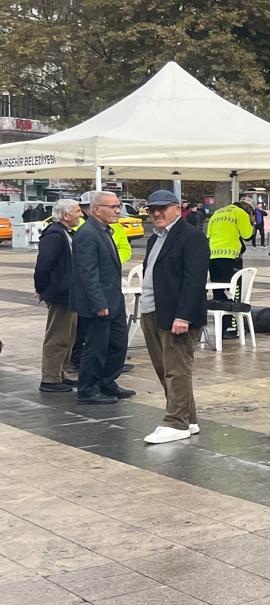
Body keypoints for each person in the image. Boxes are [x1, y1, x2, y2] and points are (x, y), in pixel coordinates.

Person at [139, 189, 209, 444]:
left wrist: (184, 316)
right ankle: (188, 419)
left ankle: (175, 422)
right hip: (152, 310)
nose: (156, 213)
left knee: (176, 370)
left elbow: (195, 280)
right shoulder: (154, 238)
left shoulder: (191, 237)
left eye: (162, 208)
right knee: (164, 368)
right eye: (152, 209)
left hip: (176, 315)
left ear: (177, 209)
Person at [71, 191, 134, 406]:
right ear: (97, 210)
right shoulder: (87, 233)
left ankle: (107, 382)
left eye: (118, 206)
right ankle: (88, 389)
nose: (118, 210)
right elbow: (87, 273)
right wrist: (99, 304)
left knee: (118, 344)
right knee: (96, 348)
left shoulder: (105, 230)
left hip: (113, 299)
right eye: (112, 207)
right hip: (99, 303)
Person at [33, 198, 81, 393]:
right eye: (77, 211)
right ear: (66, 215)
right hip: (59, 293)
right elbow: (44, 264)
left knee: (69, 335)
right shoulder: (54, 235)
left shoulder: (66, 233)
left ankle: (61, 373)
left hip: (69, 292)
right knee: (58, 336)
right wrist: (42, 289)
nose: (80, 214)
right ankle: (50, 377)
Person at [207, 197, 254, 337]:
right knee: (234, 293)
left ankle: (221, 328)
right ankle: (232, 328)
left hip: (213, 257)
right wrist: (251, 223)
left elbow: (209, 234)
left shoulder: (217, 213)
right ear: (248, 208)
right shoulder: (240, 213)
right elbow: (247, 235)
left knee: (219, 294)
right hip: (231, 258)